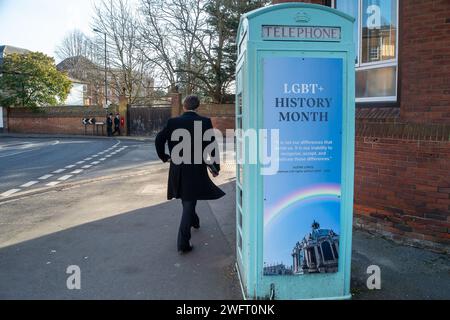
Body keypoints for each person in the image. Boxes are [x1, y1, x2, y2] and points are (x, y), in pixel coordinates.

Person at [155, 95, 225, 254]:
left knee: (187, 199)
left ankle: (195, 221)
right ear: (197, 106)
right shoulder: (205, 122)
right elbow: (212, 146)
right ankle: (183, 243)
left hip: (177, 167)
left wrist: (164, 156)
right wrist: (215, 167)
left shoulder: (173, 122)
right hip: (195, 168)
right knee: (189, 201)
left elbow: (159, 139)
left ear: (184, 106)